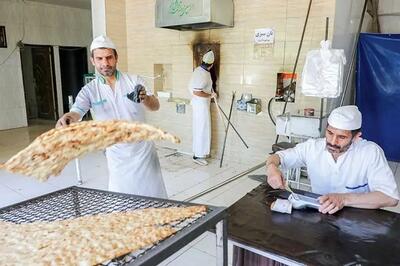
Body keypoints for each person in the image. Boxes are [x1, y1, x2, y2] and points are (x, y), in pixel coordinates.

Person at [233, 105, 399, 266]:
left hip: (356, 225)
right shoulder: (313, 147)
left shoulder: (370, 153)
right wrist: (271, 169)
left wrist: (344, 199)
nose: (333, 141)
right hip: (320, 219)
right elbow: (278, 157)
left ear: (356, 137)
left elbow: (390, 197)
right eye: (330, 133)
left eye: (341, 137)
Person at [56, 35, 167, 198]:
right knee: (122, 197)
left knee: (153, 195)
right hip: (116, 153)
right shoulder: (90, 90)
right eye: (99, 58)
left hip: (142, 150)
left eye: (109, 57)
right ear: (93, 60)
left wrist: (146, 98)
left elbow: (155, 106)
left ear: (116, 58)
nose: (105, 63)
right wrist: (67, 118)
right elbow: (77, 111)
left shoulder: (134, 81)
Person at [188, 50, 216, 166]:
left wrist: (211, 91)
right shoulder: (202, 74)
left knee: (201, 128)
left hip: (201, 105)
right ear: (211, 64)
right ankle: (198, 155)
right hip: (200, 105)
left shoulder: (200, 70)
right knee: (202, 129)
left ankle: (198, 153)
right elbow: (197, 92)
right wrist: (211, 95)